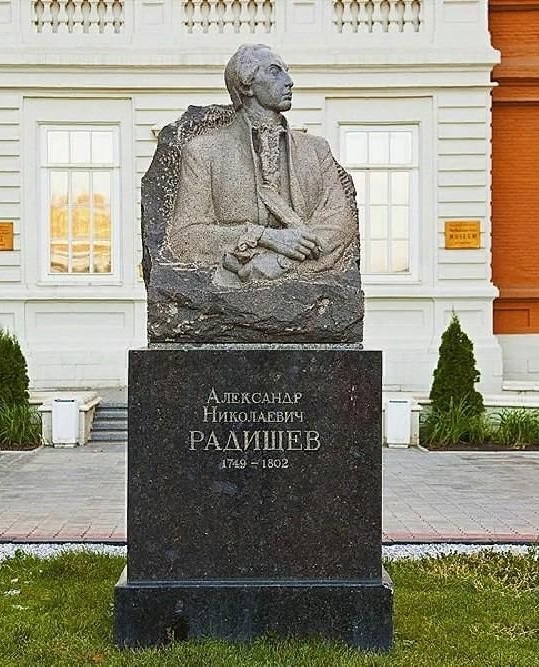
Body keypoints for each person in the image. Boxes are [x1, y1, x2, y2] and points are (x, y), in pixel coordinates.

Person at [166, 44, 357, 286]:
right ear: (246, 86)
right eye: (275, 72)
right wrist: (264, 237)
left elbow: (341, 223)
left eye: (286, 72)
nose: (289, 82)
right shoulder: (204, 151)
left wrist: (280, 263)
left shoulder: (316, 149)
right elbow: (185, 239)